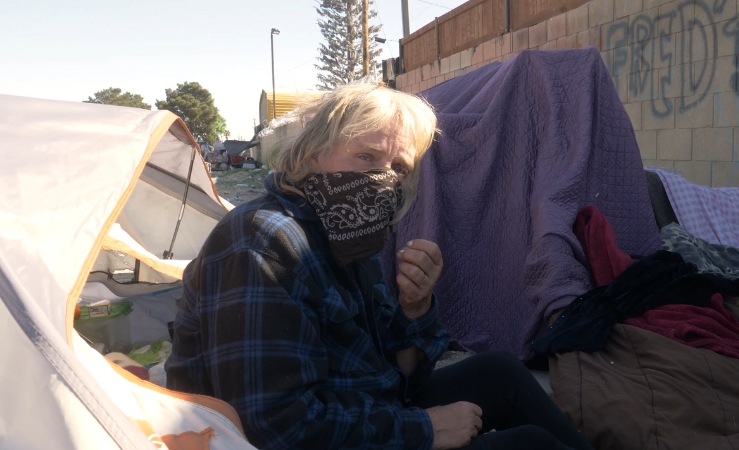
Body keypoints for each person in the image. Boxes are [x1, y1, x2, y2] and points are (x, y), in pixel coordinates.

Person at [166, 83, 593, 450]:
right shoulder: (262, 240)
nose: (382, 178)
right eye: (366, 156)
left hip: (355, 408)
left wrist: (415, 308)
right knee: (527, 445)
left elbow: (398, 374)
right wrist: (425, 430)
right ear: (314, 153)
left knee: (498, 371)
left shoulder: (347, 236)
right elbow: (273, 426)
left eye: (398, 167)